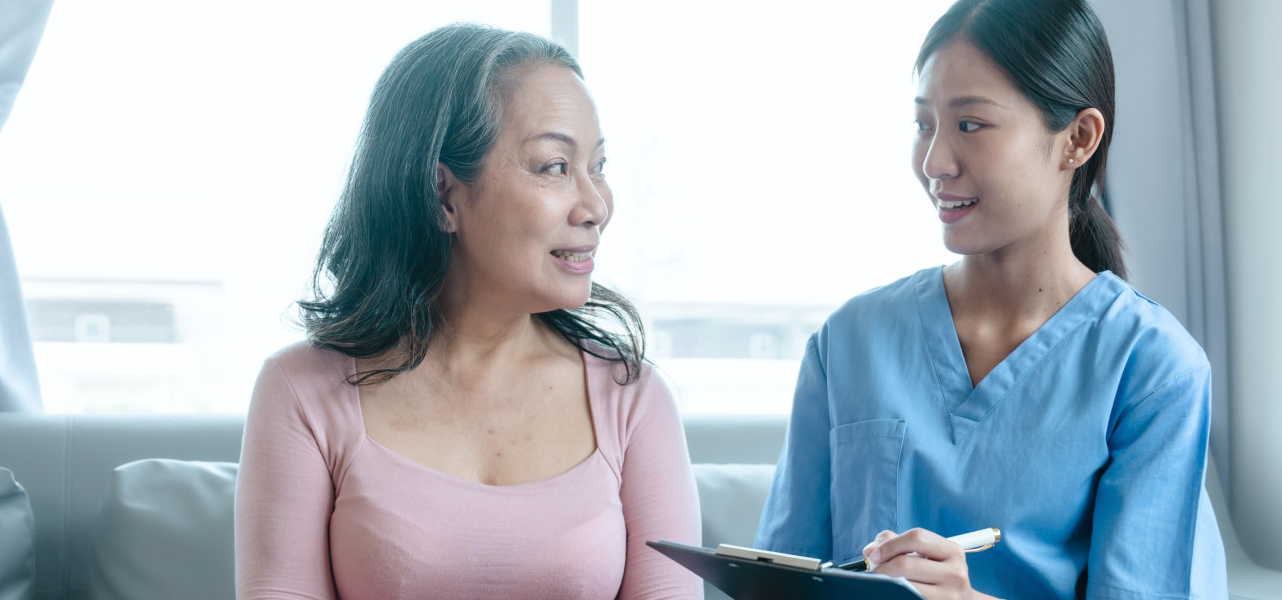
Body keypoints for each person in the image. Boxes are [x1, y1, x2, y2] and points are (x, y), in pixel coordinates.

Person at [753, 0, 1227, 598]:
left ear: (1077, 139)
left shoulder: (1153, 370)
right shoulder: (849, 341)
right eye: (924, 124)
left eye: (970, 125)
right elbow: (776, 582)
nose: (934, 163)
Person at [234, 24, 701, 600]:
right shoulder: (301, 391)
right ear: (442, 194)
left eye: (598, 166)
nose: (596, 205)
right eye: (555, 167)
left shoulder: (634, 399)